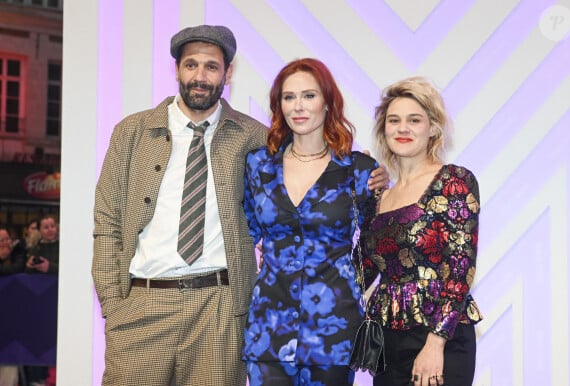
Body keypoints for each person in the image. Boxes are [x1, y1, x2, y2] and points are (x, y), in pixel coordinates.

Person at [92, 23, 391, 386]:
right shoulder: (132, 132)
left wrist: (378, 178)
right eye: (191, 65)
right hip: (143, 304)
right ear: (176, 70)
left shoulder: (255, 140)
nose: (200, 76)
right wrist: (114, 304)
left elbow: (322, 176)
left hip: (219, 311)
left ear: (228, 73)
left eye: (211, 67)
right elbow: (107, 222)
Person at [242, 58, 380, 386]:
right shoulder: (259, 166)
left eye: (309, 96)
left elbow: (377, 243)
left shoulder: (358, 170)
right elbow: (244, 233)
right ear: (279, 106)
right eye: (289, 97)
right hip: (268, 332)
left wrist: (344, 285)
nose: (298, 106)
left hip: (334, 335)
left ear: (328, 102)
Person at [358, 76, 483, 386]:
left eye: (414, 120)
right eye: (394, 120)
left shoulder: (453, 181)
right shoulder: (378, 196)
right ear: (383, 129)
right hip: (387, 339)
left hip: (441, 337)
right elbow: (361, 271)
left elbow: (459, 270)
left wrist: (435, 343)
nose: (403, 128)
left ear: (433, 128)